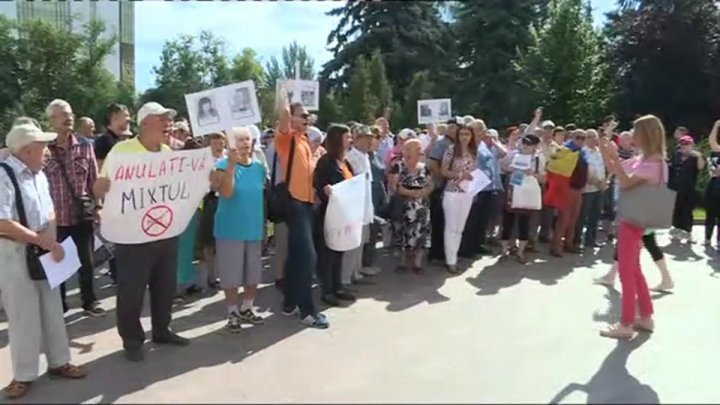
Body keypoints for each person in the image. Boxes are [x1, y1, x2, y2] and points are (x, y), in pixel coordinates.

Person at [93, 102, 191, 362]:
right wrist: (100, 188)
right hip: (132, 236)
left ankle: (162, 330)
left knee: (165, 286)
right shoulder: (122, 151)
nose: (168, 123)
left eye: (169, 118)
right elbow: (100, 189)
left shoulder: (168, 151)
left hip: (165, 231)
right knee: (131, 290)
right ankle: (132, 340)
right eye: (162, 119)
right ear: (146, 122)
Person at [0, 124, 87, 400]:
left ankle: (59, 361)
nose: (47, 152)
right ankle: (24, 375)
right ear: (27, 150)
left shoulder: (38, 174)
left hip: (43, 248)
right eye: (42, 146)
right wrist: (43, 241)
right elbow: (3, 221)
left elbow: (49, 209)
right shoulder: (3, 175)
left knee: (52, 308)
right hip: (15, 252)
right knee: (23, 315)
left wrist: (50, 238)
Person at [597, 115, 666, 339]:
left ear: (646, 134)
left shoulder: (652, 163)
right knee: (634, 270)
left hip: (634, 219)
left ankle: (626, 324)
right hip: (633, 217)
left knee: (627, 273)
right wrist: (604, 146)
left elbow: (624, 181)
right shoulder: (645, 159)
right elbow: (616, 169)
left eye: (636, 131)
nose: (632, 135)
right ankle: (645, 317)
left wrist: (614, 157)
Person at [274, 88, 328, 329]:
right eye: (302, 115)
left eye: (308, 117)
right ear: (292, 118)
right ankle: (307, 311)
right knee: (308, 257)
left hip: (306, 204)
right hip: (295, 203)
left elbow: (306, 171)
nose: (308, 119)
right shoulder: (286, 137)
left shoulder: (305, 140)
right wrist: (284, 95)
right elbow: (284, 116)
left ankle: (288, 303)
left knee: (296, 257)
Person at [44, 99, 104, 316]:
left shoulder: (85, 144)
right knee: (57, 263)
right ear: (51, 120)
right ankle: (59, 306)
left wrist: (98, 207)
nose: (68, 117)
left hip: (82, 214)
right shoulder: (44, 148)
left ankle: (90, 301)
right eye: (62, 114)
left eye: (70, 113)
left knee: (87, 262)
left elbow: (94, 179)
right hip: (54, 217)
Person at [212, 127, 267, 332]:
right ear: (231, 144)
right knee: (231, 274)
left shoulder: (260, 167)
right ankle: (232, 312)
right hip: (230, 229)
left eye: (248, 139)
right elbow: (226, 193)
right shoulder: (221, 166)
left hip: (253, 228)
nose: (245, 143)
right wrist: (232, 167)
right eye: (240, 140)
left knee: (253, 273)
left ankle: (247, 308)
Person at [313, 124, 357, 306]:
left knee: (339, 251)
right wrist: (327, 191)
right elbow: (319, 186)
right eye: (347, 137)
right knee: (328, 253)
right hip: (329, 214)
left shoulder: (345, 161)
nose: (350, 140)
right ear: (338, 139)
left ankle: (338, 286)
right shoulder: (325, 161)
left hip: (344, 213)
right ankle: (327, 290)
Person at [93, 103, 132, 285]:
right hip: (111, 199)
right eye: (125, 116)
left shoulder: (122, 141)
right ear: (114, 118)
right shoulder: (104, 142)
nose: (129, 119)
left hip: (124, 199)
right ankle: (119, 276)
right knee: (116, 240)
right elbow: (100, 172)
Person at [499, 134, 546, 264]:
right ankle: (504, 251)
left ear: (535, 146)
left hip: (528, 193)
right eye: (524, 143)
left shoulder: (538, 158)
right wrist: (510, 168)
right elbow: (503, 166)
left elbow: (543, 178)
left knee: (524, 223)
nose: (525, 146)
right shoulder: (515, 154)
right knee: (507, 222)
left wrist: (533, 174)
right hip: (513, 190)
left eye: (529, 144)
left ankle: (520, 252)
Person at [389, 139, 434, 273]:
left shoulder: (424, 167)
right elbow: (394, 186)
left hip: (421, 207)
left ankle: (417, 263)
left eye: (419, 148)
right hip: (404, 206)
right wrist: (412, 193)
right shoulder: (398, 166)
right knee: (403, 234)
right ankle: (403, 263)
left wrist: (424, 192)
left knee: (421, 234)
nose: (419, 151)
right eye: (415, 148)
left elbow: (431, 184)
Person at [440, 124, 478, 274]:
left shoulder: (474, 152)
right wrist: (461, 175)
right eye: (461, 134)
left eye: (467, 134)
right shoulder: (451, 150)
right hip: (452, 192)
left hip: (467, 193)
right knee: (451, 227)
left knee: (459, 228)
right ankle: (450, 261)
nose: (464, 137)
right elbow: (444, 171)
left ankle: (454, 255)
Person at [345, 124, 377, 283]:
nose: (370, 141)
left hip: (365, 206)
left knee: (361, 241)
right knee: (353, 243)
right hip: (355, 207)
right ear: (357, 139)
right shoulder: (351, 157)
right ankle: (348, 276)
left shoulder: (365, 156)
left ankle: (356, 272)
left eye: (371, 138)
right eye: (366, 138)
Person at [427, 117, 461, 262]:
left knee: (451, 221)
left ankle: (448, 252)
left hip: (455, 188)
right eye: (452, 127)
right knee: (439, 221)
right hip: (441, 187)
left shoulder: (457, 144)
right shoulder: (442, 144)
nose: (454, 130)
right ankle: (436, 254)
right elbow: (431, 163)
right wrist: (444, 175)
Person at [550, 129, 589, 256]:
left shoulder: (582, 152)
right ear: (572, 137)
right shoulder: (565, 150)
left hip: (578, 189)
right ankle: (556, 246)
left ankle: (569, 243)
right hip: (567, 188)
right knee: (564, 218)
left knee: (573, 218)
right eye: (578, 137)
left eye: (583, 138)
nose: (581, 140)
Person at [574, 129, 607, 248]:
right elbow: (583, 172)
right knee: (581, 216)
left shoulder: (598, 152)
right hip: (587, 189)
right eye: (589, 137)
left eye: (595, 137)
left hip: (599, 189)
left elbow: (602, 169)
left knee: (595, 215)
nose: (593, 139)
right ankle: (576, 241)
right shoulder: (583, 152)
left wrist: (603, 182)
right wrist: (596, 182)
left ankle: (591, 240)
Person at [668, 135, 704, 243]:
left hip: (689, 189)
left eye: (687, 145)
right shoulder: (676, 155)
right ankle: (677, 231)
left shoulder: (695, 157)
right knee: (676, 210)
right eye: (683, 145)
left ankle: (688, 232)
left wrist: (700, 156)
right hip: (675, 188)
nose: (685, 147)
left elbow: (701, 167)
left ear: (692, 145)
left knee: (687, 211)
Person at [704, 119, 720, 246]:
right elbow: (712, 142)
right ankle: (707, 238)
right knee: (710, 214)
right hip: (714, 186)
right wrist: (716, 125)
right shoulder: (718, 150)